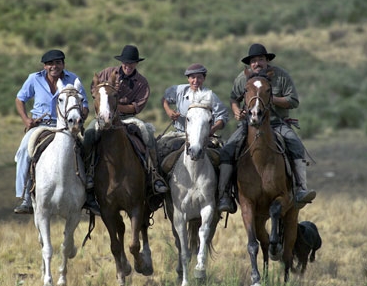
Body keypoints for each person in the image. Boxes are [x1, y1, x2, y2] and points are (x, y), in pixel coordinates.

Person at [218, 43, 316, 210]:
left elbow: (293, 101)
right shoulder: (243, 78)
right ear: (250, 64)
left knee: (295, 145)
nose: (257, 63)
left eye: (261, 59)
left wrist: (270, 100)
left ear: (267, 61)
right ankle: (224, 195)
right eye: (253, 61)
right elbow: (234, 98)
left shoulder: (281, 76)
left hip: (277, 124)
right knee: (228, 149)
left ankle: (301, 188)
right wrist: (236, 111)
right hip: (249, 124)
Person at [83, 45, 169, 213]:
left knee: (147, 133)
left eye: (132, 63)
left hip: (127, 117)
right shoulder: (106, 73)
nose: (128, 65)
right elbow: (94, 90)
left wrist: (117, 108)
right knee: (88, 134)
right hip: (103, 115)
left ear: (136, 64)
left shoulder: (142, 83)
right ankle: (88, 173)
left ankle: (154, 174)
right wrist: (104, 105)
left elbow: (137, 107)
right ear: (121, 62)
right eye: (126, 62)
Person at [14, 49, 90, 214]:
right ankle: (26, 196)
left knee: (88, 151)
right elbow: (20, 99)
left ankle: (90, 193)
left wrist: (80, 117)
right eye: (50, 63)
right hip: (42, 125)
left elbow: (84, 105)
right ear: (44, 66)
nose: (54, 66)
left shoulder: (73, 79)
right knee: (24, 152)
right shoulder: (34, 79)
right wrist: (26, 120)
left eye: (58, 63)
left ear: (63, 64)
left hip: (67, 126)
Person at [160, 63, 235, 213]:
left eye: (199, 77)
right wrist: (169, 111)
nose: (196, 81)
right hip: (180, 133)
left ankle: (223, 193)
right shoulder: (179, 90)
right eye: (193, 77)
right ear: (188, 79)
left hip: (204, 137)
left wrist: (211, 130)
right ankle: (157, 186)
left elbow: (223, 117)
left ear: (204, 78)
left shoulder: (210, 96)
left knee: (223, 157)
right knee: (159, 150)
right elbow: (165, 98)